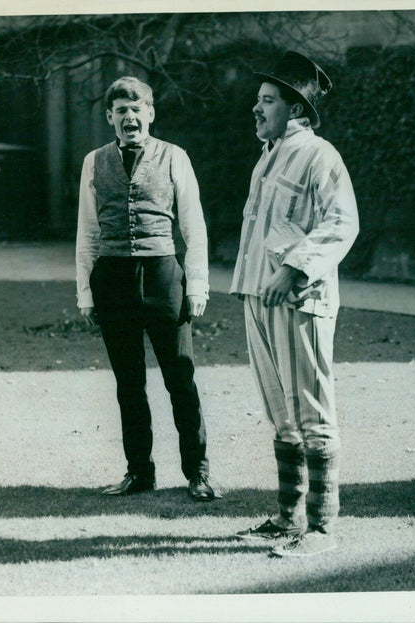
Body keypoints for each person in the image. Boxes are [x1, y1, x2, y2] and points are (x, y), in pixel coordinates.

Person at [230, 51, 359, 556]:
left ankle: (322, 527)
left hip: (300, 297)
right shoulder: (268, 155)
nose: (256, 109)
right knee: (281, 413)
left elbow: (342, 222)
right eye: (258, 101)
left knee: (311, 410)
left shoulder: (319, 154)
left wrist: (293, 268)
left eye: (266, 101)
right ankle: (288, 518)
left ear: (296, 108)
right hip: (260, 297)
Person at [75, 76, 217, 501]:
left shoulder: (175, 157)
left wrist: (198, 285)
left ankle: (198, 472)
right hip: (113, 279)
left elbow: (194, 227)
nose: (130, 117)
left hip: (163, 277)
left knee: (181, 379)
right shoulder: (93, 162)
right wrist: (85, 291)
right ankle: (140, 471)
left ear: (150, 113)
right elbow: (87, 232)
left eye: (137, 109)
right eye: (121, 110)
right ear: (109, 117)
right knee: (128, 384)